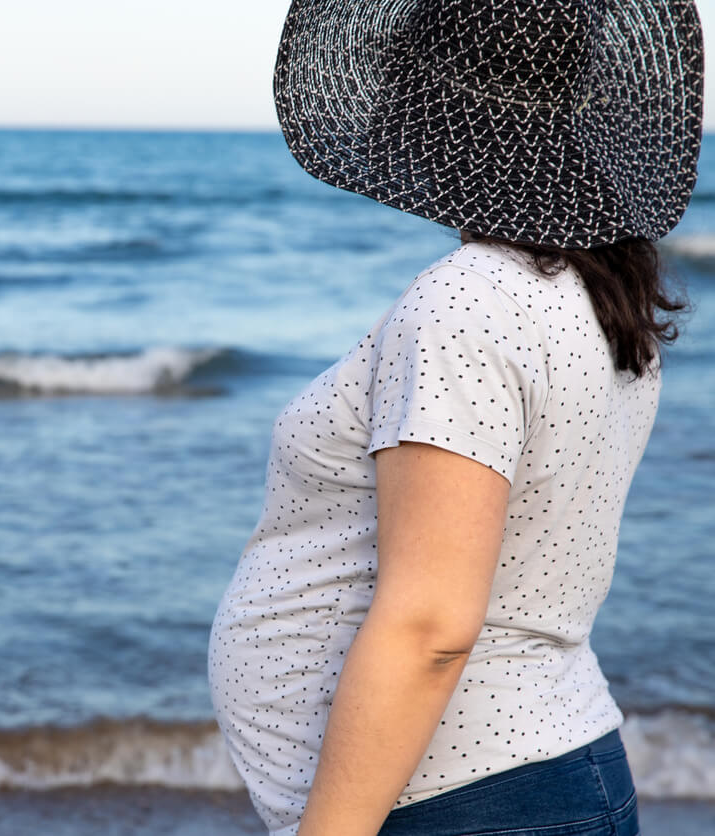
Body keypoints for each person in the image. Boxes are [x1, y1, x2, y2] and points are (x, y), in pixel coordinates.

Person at [206, 1, 703, 835]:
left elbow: (433, 625)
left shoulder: (468, 300)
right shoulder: (599, 297)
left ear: (438, 106)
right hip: (540, 767)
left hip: (460, 798)